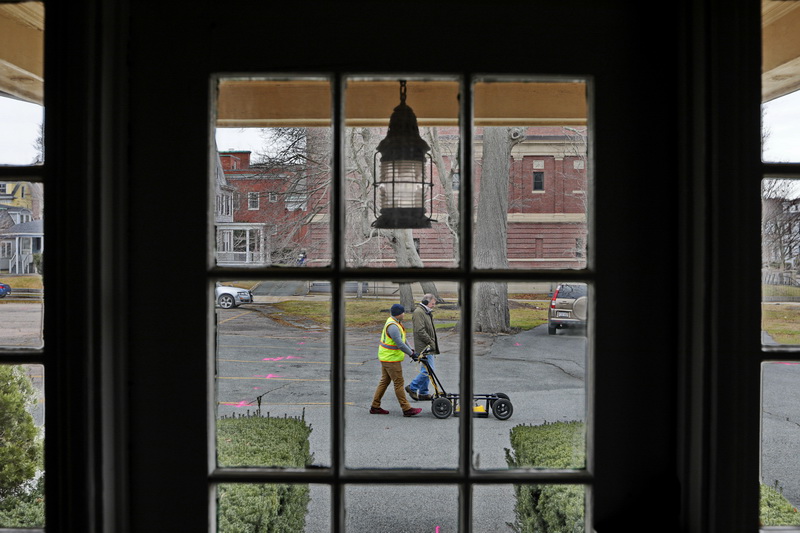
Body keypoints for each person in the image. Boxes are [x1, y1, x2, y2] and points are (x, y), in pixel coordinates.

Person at [370, 304, 423, 417]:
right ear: (399, 314)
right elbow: (399, 344)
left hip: (387, 357)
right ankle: (406, 408)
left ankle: (375, 406)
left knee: (384, 381)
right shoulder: (393, 326)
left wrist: (411, 350)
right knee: (399, 383)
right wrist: (411, 354)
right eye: (403, 312)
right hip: (391, 359)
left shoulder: (395, 322)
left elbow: (403, 339)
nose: (404, 314)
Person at [406, 294, 440, 401]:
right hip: (424, 347)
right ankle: (412, 387)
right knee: (429, 370)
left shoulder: (426, 312)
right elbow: (420, 330)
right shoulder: (418, 312)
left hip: (428, 346)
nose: (433, 306)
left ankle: (423, 392)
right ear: (426, 302)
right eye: (432, 303)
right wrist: (430, 342)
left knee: (426, 369)